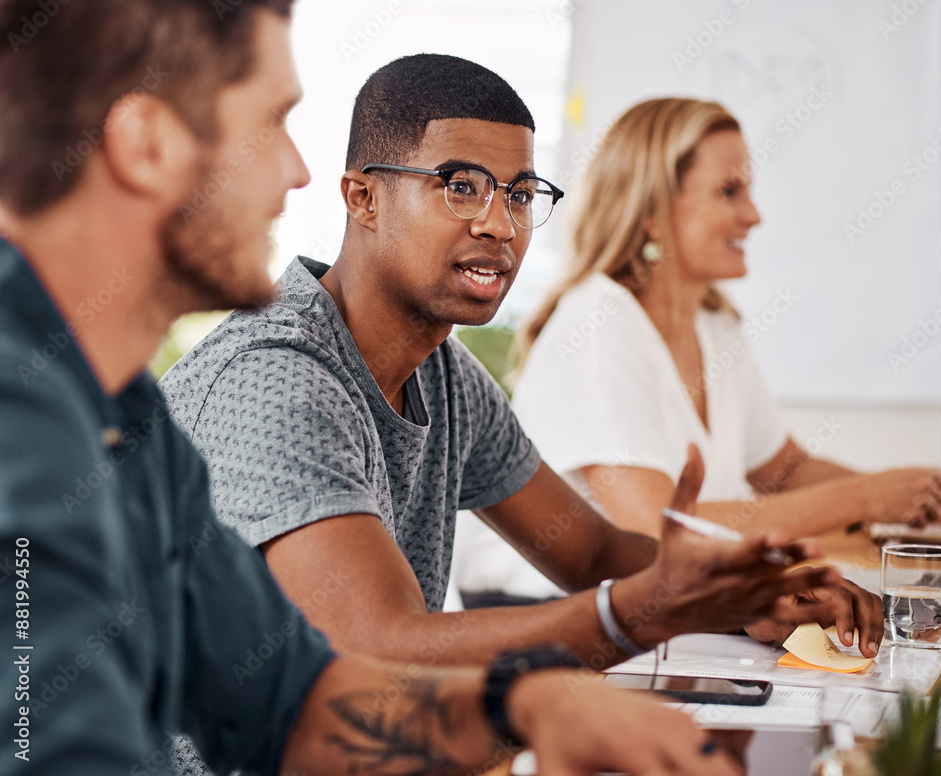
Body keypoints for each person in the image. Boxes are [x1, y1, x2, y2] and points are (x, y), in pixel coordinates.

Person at [0, 5, 745, 774]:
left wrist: (523, 703)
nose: (297, 170)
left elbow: (294, 707)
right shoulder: (28, 425)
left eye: (519, 196)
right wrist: (625, 616)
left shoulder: (124, 415)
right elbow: (371, 645)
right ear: (146, 146)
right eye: (273, 122)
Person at [160, 50, 881, 717]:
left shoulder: (443, 375)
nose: (500, 224)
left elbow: (591, 551)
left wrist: (738, 591)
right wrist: (647, 610)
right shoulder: (276, 379)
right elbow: (378, 644)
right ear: (362, 198)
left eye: (521, 193)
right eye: (460, 186)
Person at [453, 97, 941, 605]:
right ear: (652, 210)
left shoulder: (713, 322)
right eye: (730, 191)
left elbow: (782, 471)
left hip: (660, 605)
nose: (754, 215)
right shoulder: (599, 325)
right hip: (544, 613)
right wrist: (867, 498)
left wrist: (907, 492)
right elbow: (655, 530)